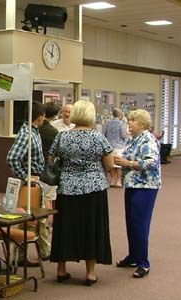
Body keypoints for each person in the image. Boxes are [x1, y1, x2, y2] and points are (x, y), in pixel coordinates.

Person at [49, 100, 113, 286]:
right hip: (94, 189)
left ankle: (61, 270)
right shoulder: (98, 138)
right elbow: (109, 165)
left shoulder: (62, 137)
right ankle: (90, 273)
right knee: (91, 228)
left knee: (65, 227)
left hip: (67, 188)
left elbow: (51, 158)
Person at [113, 109, 161, 278]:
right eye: (129, 120)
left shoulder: (148, 139)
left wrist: (128, 163)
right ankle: (133, 256)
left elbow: (152, 162)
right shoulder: (133, 140)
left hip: (146, 187)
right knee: (131, 222)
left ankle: (143, 262)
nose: (130, 123)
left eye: (133, 120)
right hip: (132, 185)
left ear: (142, 123)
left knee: (140, 224)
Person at [7, 101, 49, 266]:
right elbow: (12, 158)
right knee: (27, 219)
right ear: (40, 117)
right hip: (30, 181)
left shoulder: (33, 131)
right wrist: (25, 177)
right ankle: (20, 257)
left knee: (38, 218)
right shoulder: (27, 134)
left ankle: (43, 252)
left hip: (36, 180)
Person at [38, 102, 61, 227]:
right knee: (48, 198)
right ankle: (46, 226)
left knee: (38, 197)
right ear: (55, 116)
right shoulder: (54, 132)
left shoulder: (36, 129)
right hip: (49, 167)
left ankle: (40, 224)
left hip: (36, 167)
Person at [103, 108, 127, 187]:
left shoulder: (108, 123)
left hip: (110, 146)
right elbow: (123, 135)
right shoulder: (121, 124)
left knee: (112, 164)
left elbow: (104, 134)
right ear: (120, 115)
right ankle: (119, 181)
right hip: (119, 146)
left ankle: (112, 180)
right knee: (119, 164)